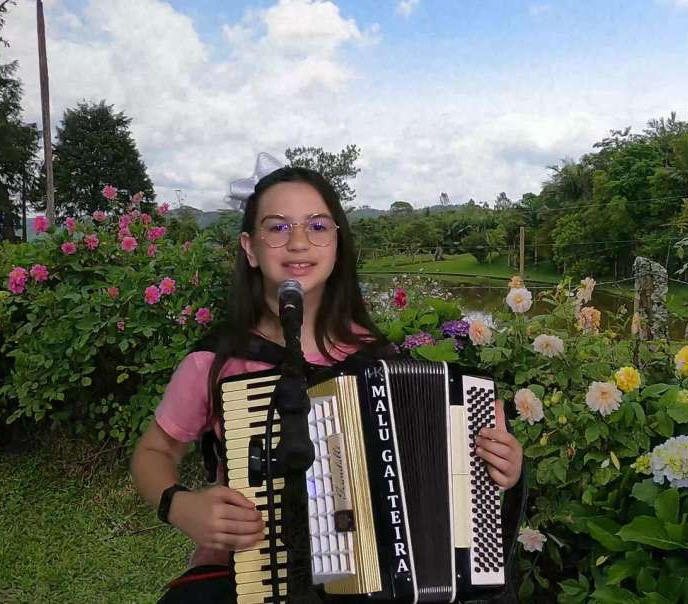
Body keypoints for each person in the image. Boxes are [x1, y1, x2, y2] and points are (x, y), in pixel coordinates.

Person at [129, 160, 524, 603]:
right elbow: (153, 451)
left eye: (317, 225)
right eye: (277, 228)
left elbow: (447, 488)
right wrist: (179, 504)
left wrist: (498, 465)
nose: (298, 242)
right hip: (245, 575)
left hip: (367, 582)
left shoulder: (377, 360)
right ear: (250, 248)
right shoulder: (214, 362)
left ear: (337, 243)